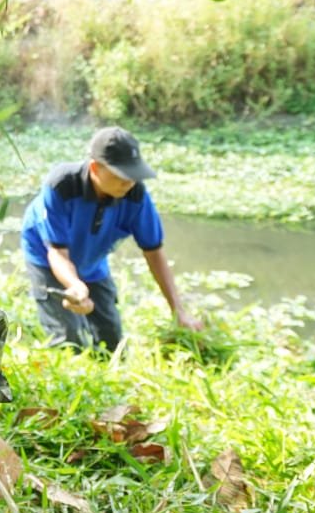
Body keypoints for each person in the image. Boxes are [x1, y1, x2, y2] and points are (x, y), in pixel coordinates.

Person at [21, 126, 202, 353]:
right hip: (48, 258)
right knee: (68, 341)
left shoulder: (135, 196)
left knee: (113, 341)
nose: (129, 183)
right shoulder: (61, 186)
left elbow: (154, 252)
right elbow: (56, 251)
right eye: (122, 176)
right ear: (96, 167)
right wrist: (75, 285)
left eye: (134, 175)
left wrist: (179, 311)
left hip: (93, 261)